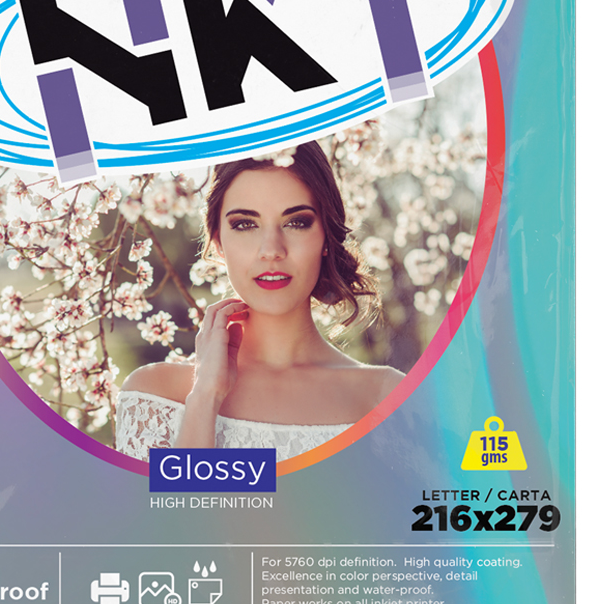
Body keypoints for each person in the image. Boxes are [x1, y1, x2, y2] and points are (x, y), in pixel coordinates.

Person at [114, 142, 404, 461]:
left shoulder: (388, 398)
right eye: (245, 224)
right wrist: (204, 399)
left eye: (296, 222)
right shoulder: (154, 396)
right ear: (218, 241)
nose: (271, 250)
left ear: (325, 236)